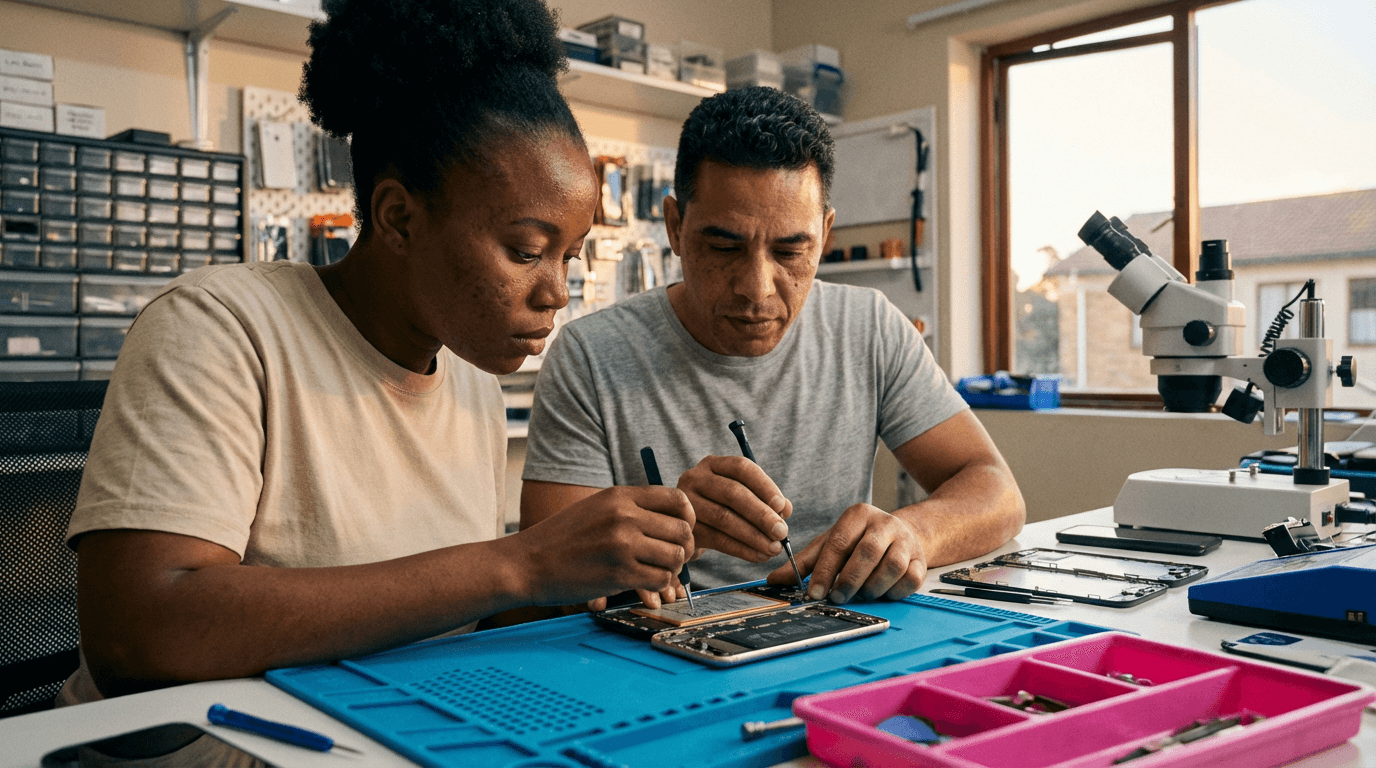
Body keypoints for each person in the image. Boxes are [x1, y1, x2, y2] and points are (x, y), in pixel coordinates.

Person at [60, 0, 695, 704]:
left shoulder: (469, 380)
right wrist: (524, 562)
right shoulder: (220, 327)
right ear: (398, 217)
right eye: (525, 251)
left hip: (389, 725)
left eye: (569, 258)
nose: (556, 294)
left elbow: (462, 612)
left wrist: (587, 578)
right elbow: (139, 633)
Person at [521, 87, 1023, 608]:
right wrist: (661, 538)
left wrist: (914, 532)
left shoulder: (870, 327)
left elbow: (996, 491)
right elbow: (544, 587)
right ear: (675, 226)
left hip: (834, 637)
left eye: (790, 250)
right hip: (665, 654)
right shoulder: (590, 356)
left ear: (825, 235)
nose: (757, 288)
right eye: (723, 247)